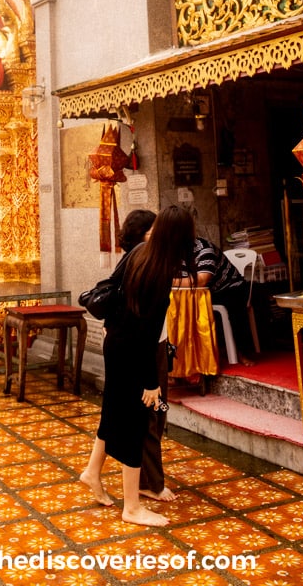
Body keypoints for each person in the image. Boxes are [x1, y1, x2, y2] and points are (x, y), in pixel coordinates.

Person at [80, 204, 196, 527]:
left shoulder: (139, 252)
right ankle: (132, 506)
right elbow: (147, 334)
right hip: (133, 353)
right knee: (132, 425)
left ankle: (92, 471)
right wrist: (150, 382)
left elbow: (112, 287)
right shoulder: (161, 271)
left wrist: (112, 326)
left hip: (114, 343)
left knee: (113, 413)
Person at [116, 209, 175, 504]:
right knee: (151, 413)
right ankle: (151, 483)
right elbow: (143, 321)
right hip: (146, 350)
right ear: (143, 235)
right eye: (154, 229)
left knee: (157, 412)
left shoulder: (147, 261)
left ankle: (144, 477)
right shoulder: (142, 263)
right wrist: (150, 377)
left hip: (157, 346)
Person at [176, 235, 257, 367]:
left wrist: (168, 281)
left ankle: (243, 351)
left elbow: (202, 280)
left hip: (229, 287)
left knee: (234, 305)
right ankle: (190, 356)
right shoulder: (171, 251)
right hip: (202, 292)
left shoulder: (204, 248)